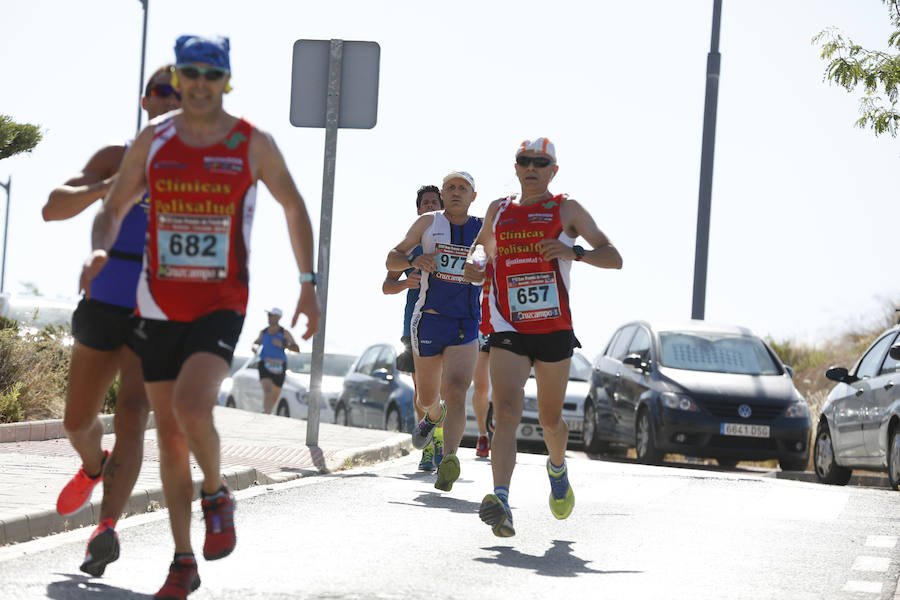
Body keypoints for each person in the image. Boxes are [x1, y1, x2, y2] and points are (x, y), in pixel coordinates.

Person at [80, 35, 320, 600]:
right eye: (191, 73)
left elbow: (293, 205)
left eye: (212, 74)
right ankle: (183, 561)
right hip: (158, 303)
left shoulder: (251, 142)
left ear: (226, 79)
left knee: (191, 406)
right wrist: (98, 249)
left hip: (220, 301)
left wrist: (308, 286)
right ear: (182, 76)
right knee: (170, 437)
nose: (200, 83)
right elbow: (113, 207)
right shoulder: (154, 140)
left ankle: (217, 494)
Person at [42, 64, 180, 577]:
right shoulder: (116, 156)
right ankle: (93, 464)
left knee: (132, 414)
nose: (173, 101)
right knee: (77, 421)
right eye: (163, 92)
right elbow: (52, 209)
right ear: (146, 101)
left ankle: (105, 528)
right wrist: (110, 184)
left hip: (159, 309)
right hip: (105, 299)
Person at [464, 138, 622, 537]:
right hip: (508, 327)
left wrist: (576, 253)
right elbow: (479, 251)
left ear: (553, 171)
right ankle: (501, 499)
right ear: (515, 168)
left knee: (551, 422)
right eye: (524, 161)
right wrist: (476, 264)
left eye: (540, 162)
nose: (531, 167)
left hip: (553, 329)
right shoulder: (498, 209)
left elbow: (614, 256)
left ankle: (557, 468)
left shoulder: (566, 209)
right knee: (506, 415)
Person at [385, 171, 482, 492]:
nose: (456, 193)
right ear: (443, 194)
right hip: (428, 320)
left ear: (473, 196)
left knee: (456, 392)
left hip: (466, 323)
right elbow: (392, 258)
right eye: (451, 188)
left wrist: (484, 269)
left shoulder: (483, 229)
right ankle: (431, 418)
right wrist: (417, 259)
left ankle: (449, 458)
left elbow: (498, 267)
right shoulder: (428, 223)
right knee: (427, 397)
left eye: (462, 188)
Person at [381, 185, 443, 471]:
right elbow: (386, 285)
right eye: (425, 203)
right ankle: (428, 448)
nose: (430, 206)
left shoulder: (454, 239)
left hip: (449, 322)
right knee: (422, 390)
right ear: (418, 210)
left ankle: (440, 440)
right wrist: (406, 282)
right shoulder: (411, 244)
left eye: (435, 202)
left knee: (443, 389)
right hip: (415, 324)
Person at [252, 307, 300, 414]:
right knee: (268, 392)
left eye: (271, 315)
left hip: (279, 366)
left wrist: (283, 345)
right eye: (268, 315)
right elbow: (256, 342)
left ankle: (267, 412)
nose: (268, 317)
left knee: (274, 396)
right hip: (264, 364)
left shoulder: (284, 333)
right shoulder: (263, 332)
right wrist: (254, 347)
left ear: (278, 317)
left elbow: (297, 349)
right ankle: (265, 414)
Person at [472, 260, 494, 458]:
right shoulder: (479, 254)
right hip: (479, 327)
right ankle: (482, 435)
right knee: (480, 387)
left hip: (502, 324)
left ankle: (497, 415)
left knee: (504, 385)